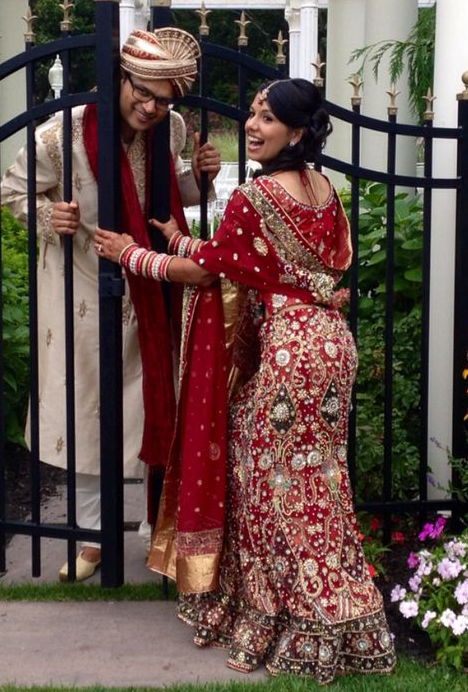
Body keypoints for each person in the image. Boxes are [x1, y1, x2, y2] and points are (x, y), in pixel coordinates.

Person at [94, 78, 396, 684]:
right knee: (320, 483)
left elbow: (203, 274)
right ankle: (348, 611)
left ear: (299, 132)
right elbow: (269, 265)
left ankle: (289, 615)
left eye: (267, 118)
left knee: (270, 489)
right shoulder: (326, 193)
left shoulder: (255, 198)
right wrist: (181, 235)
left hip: (288, 354)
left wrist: (130, 253)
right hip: (333, 348)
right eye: (252, 114)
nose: (253, 126)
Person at [0, 27, 221, 582]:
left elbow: (171, 195)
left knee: (155, 406)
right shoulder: (62, 136)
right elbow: (11, 192)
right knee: (88, 413)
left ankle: (156, 526)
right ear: (120, 78)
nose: (151, 108)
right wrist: (51, 217)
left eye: (164, 99)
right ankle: (92, 536)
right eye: (142, 93)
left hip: (154, 290)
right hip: (81, 292)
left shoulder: (169, 129)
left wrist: (201, 177)